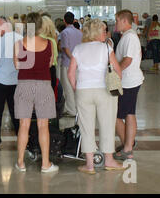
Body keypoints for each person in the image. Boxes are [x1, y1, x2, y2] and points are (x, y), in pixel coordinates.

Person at [67, 19, 124, 174]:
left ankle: (90, 165)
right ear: (97, 33)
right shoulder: (106, 48)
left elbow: (71, 74)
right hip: (104, 91)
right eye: (104, 30)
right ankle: (109, 160)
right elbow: (118, 71)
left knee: (86, 128)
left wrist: (76, 89)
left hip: (83, 91)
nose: (105, 33)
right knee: (107, 125)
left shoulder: (78, 48)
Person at [13, 12, 59, 173]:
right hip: (44, 85)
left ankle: (20, 163)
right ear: (40, 25)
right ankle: (45, 164)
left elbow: (17, 66)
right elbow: (49, 64)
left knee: (23, 125)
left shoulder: (19, 43)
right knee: (43, 126)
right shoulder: (50, 44)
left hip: (24, 85)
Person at [114, 10, 144, 161]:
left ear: (124, 21)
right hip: (128, 80)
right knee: (129, 113)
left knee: (116, 116)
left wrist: (114, 71)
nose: (115, 23)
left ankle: (128, 146)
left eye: (117, 20)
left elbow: (128, 60)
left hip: (128, 82)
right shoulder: (127, 36)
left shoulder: (130, 37)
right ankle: (128, 146)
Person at [0, 16, 22, 148]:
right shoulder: (20, 38)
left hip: (0, 82)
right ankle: (22, 137)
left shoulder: (0, 42)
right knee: (16, 113)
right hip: (16, 82)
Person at [59, 11, 83, 117]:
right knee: (77, 86)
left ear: (64, 21)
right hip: (79, 64)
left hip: (67, 64)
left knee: (67, 87)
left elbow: (65, 48)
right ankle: (78, 109)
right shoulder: (80, 32)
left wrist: (72, 58)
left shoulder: (64, 33)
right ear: (74, 20)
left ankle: (71, 110)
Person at [40, 15, 58, 90]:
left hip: (40, 71)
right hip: (51, 70)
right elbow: (55, 57)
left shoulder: (37, 39)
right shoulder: (53, 40)